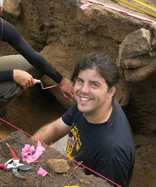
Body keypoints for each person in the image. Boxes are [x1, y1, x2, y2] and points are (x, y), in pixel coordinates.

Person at [32, 53, 135, 187]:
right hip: (75, 155)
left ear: (111, 91)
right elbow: (54, 128)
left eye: (94, 84)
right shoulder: (92, 105)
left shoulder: (111, 154)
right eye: (80, 81)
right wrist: (28, 152)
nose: (83, 90)